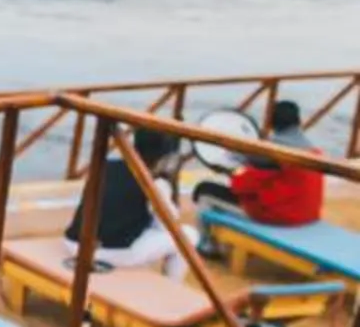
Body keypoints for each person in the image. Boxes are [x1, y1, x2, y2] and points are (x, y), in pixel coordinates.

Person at [66, 125, 182, 271]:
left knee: (135, 228)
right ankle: (170, 286)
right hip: (107, 254)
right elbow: (168, 227)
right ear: (165, 158)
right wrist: (169, 187)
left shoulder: (106, 166)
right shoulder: (155, 183)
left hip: (74, 244)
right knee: (189, 236)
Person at [195, 98, 325, 229]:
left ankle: (205, 244)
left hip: (282, 215)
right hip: (309, 213)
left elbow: (243, 174)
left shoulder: (273, 150)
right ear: (298, 121)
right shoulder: (313, 151)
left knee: (204, 190)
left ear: (270, 122)